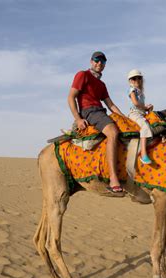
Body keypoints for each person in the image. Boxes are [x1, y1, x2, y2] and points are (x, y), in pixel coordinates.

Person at [68, 51, 125, 194]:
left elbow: (111, 105)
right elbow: (71, 97)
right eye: (97, 60)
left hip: (101, 112)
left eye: (103, 61)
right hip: (90, 111)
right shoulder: (83, 75)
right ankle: (113, 178)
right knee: (112, 132)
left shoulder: (102, 84)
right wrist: (78, 118)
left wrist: (125, 118)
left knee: (126, 129)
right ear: (91, 61)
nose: (100, 63)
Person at [126, 69, 154, 164]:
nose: (137, 80)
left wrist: (147, 108)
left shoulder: (140, 92)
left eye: (139, 78)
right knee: (145, 127)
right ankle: (143, 154)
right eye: (134, 78)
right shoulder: (132, 90)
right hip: (135, 114)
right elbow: (135, 103)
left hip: (141, 113)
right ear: (130, 81)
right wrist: (145, 107)